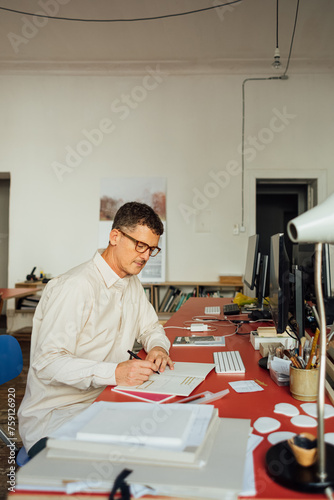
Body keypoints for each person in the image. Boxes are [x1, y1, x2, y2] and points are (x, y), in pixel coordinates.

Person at [18, 201, 173, 457]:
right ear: (115, 236)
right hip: (58, 417)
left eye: (152, 249)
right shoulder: (74, 287)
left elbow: (150, 327)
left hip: (106, 400)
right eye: (141, 245)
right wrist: (115, 373)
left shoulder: (131, 282)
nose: (146, 256)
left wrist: (158, 346)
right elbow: (47, 363)